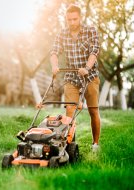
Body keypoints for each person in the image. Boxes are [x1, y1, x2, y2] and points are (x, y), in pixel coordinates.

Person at [50, 4, 101, 151]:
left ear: (80, 17)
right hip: (71, 77)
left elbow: (94, 52)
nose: (72, 22)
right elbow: (54, 51)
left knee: (93, 111)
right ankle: (70, 145)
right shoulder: (62, 34)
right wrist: (54, 66)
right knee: (70, 111)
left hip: (89, 76)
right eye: (69, 20)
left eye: (75, 19)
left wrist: (87, 67)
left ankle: (95, 145)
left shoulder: (90, 31)